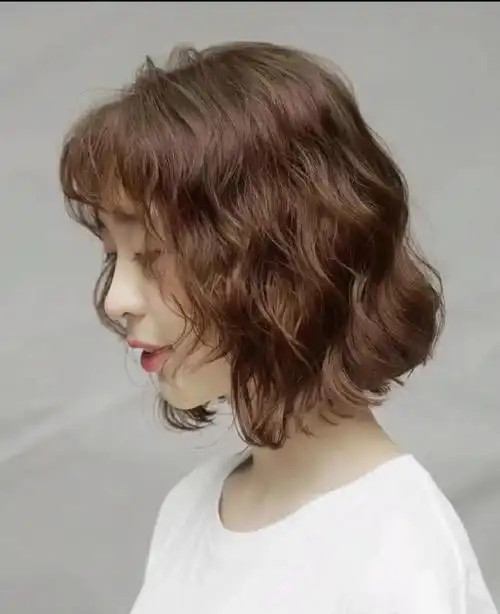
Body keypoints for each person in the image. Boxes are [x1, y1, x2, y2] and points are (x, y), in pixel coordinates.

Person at [59, 42, 497, 614]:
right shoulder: (192, 509)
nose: (117, 301)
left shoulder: (392, 555)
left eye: (152, 254)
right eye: (112, 255)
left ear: (278, 258)